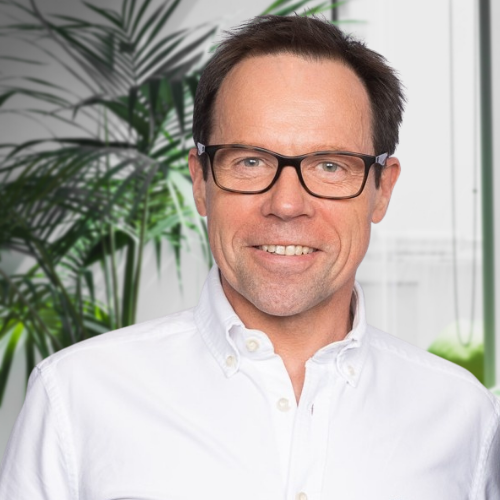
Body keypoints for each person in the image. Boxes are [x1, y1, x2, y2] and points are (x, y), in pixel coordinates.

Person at [1, 14, 499, 500]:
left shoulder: (464, 419)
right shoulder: (75, 397)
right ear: (201, 181)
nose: (286, 204)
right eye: (251, 161)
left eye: (330, 166)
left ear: (381, 190)